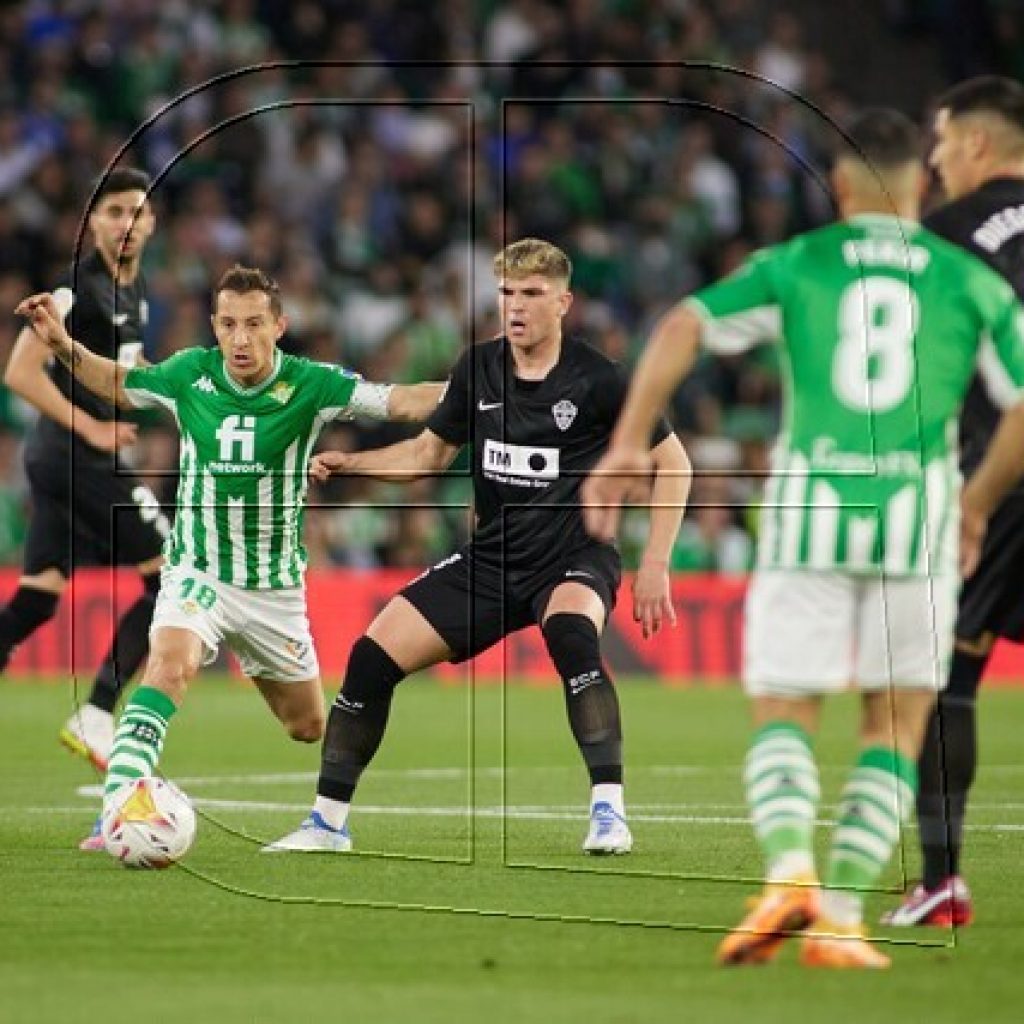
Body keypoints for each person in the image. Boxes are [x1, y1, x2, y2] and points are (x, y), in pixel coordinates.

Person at [583, 110, 1024, 968]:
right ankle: (844, 913)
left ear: (842, 186)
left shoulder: (798, 263)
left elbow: (680, 326)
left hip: (809, 516)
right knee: (894, 725)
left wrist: (631, 440)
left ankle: (788, 872)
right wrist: (976, 501)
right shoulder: (964, 278)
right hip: (916, 522)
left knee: (784, 710)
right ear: (920, 186)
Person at [265, 238, 690, 856]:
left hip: (573, 554)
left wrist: (656, 564)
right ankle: (326, 824)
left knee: (573, 636)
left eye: (532, 294)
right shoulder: (478, 368)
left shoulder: (600, 379)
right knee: (371, 656)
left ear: (563, 302)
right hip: (492, 558)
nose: (516, 307)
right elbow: (428, 454)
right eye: (507, 293)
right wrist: (350, 460)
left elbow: (673, 462)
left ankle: (608, 814)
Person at [15, 265, 442, 848]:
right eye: (229, 324)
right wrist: (63, 346)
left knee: (307, 725)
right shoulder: (190, 374)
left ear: (279, 326)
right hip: (198, 569)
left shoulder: (312, 384)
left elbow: (398, 402)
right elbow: (118, 382)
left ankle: (134, 794)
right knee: (169, 665)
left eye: (254, 324)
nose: (240, 338)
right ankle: (120, 806)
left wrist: (478, 388)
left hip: (274, 589)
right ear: (214, 326)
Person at [882, 76, 1024, 929]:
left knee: (943, 674)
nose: (933, 159)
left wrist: (968, 498)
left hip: (1004, 475)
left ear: (974, 143)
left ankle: (940, 880)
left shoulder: (947, 238)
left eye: (939, 142)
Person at [1, 168, 168, 781]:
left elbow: (127, 370)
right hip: (76, 455)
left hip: (60, 461)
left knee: (37, 600)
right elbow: (19, 373)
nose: (126, 224)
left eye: (137, 212)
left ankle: (98, 711)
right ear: (93, 221)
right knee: (171, 576)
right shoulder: (77, 287)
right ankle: (98, 711)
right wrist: (93, 429)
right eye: (114, 212)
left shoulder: (135, 290)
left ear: (152, 222)